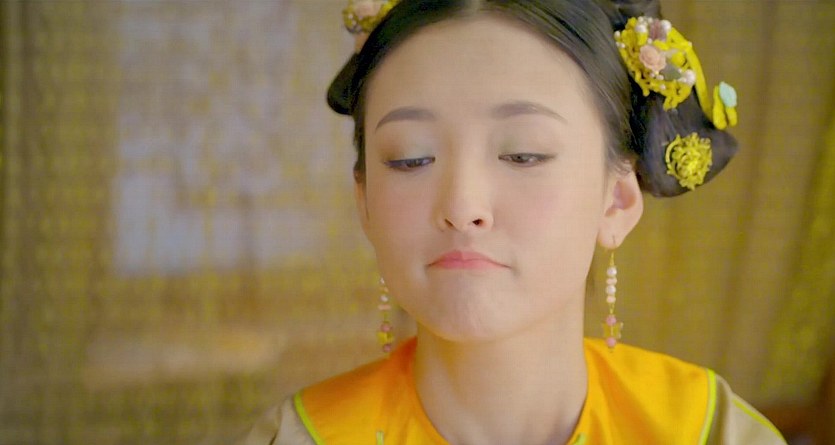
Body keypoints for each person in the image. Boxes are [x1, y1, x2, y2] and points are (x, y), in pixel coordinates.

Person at [239, 0, 785, 443]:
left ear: (617, 201)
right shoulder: (302, 438)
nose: (462, 207)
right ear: (365, 202)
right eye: (411, 159)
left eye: (524, 154)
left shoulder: (708, 432)